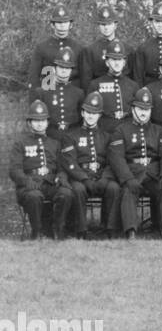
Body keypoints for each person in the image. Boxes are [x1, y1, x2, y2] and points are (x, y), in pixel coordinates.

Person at [108, 88, 162, 239]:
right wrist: (127, 178)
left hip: (154, 173)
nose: (143, 113)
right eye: (140, 108)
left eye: (147, 109)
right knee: (128, 190)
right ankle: (131, 231)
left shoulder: (158, 130)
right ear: (133, 109)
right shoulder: (121, 130)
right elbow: (117, 158)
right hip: (132, 172)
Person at [13, 99, 76, 239]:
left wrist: (62, 177)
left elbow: (62, 167)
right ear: (29, 123)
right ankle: (37, 231)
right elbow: (14, 170)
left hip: (50, 183)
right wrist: (26, 181)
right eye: (35, 120)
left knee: (66, 193)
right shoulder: (20, 143)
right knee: (34, 196)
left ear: (47, 122)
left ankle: (58, 228)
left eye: (42, 120)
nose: (39, 123)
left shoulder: (55, 143)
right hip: (30, 185)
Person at [59, 92, 119, 238]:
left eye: (95, 113)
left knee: (113, 187)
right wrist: (84, 178)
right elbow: (70, 162)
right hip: (80, 176)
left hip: (100, 175)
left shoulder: (107, 136)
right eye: (88, 112)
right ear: (83, 113)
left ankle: (109, 229)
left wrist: (105, 177)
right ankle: (81, 230)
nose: (91, 116)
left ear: (99, 115)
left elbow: (113, 161)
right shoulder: (70, 136)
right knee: (78, 190)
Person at [29, 6, 87, 94]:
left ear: (70, 25)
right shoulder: (41, 48)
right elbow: (34, 78)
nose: (62, 26)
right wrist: (36, 102)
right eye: (59, 22)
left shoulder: (78, 48)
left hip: (72, 96)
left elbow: (84, 77)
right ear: (52, 25)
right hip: (48, 94)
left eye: (65, 22)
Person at [88, 40, 138, 135]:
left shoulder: (133, 85)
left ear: (124, 63)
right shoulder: (95, 85)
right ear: (107, 62)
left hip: (127, 131)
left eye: (119, 60)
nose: (117, 63)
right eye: (113, 60)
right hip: (104, 131)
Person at [35, 47, 84, 138]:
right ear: (55, 67)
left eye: (67, 68)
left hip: (73, 137)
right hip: (50, 137)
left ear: (71, 70)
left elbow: (81, 119)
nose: (64, 70)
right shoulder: (42, 92)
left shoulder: (78, 93)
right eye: (61, 67)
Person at [81, 6, 133, 91]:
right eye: (103, 24)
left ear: (115, 25)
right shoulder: (90, 50)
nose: (106, 28)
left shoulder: (127, 49)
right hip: (99, 91)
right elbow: (86, 80)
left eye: (109, 24)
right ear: (98, 26)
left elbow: (132, 78)